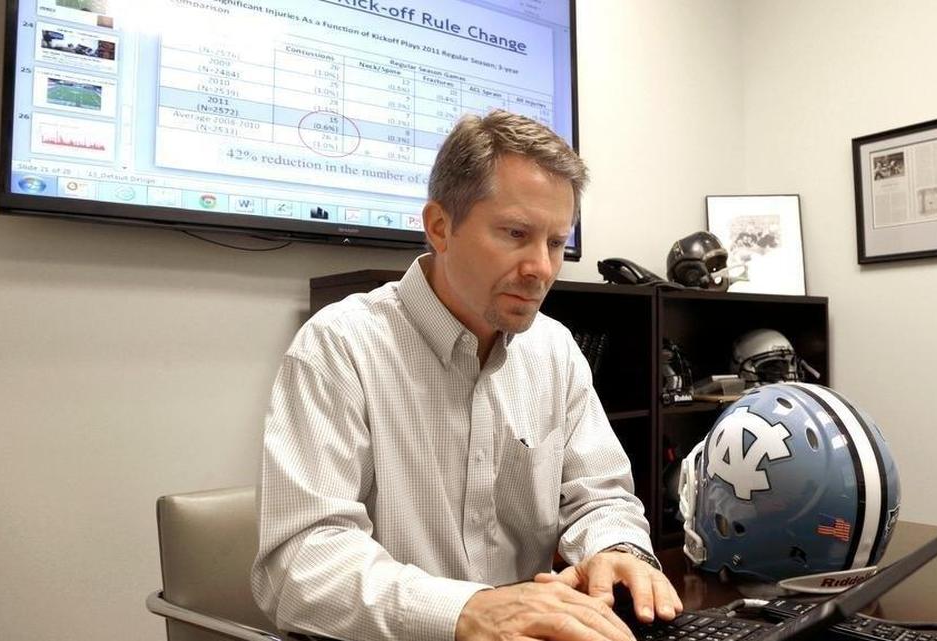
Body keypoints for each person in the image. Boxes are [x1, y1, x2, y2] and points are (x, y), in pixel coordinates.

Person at [252, 109, 682, 641]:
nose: (542, 268)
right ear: (439, 227)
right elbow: (300, 564)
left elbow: (601, 496)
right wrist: (466, 611)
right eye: (516, 233)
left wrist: (617, 549)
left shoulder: (554, 350)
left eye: (554, 243)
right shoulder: (340, 347)